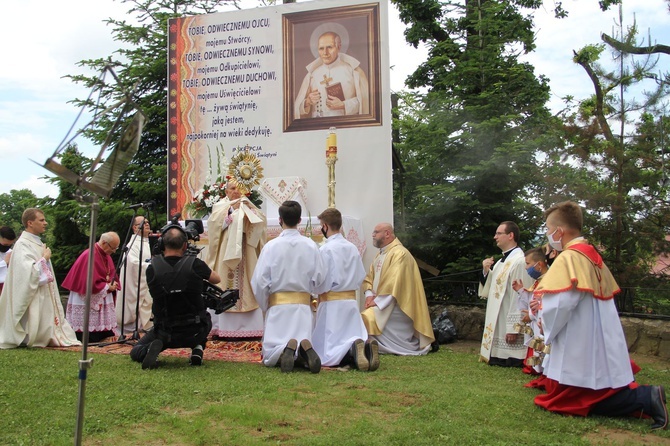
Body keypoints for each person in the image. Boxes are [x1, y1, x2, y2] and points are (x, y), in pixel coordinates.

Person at [532, 201, 667, 430]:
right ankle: (643, 398)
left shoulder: (568, 257)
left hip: (580, 334)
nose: (547, 234)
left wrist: (546, 326)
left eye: (547, 229)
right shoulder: (591, 254)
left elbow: (560, 304)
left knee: (570, 401)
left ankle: (646, 398)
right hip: (596, 332)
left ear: (559, 231)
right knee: (591, 387)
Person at [251, 200, 327, 373]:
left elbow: (260, 280)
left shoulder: (271, 247)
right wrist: (311, 293)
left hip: (279, 309)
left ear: (279, 220)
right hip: (302, 308)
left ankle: (284, 350)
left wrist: (265, 304)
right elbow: (320, 277)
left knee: (270, 353)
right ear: (300, 220)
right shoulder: (310, 245)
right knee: (303, 336)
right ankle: (302, 351)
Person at [130, 226, 221, 369]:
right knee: (206, 315)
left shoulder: (152, 268)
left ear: (161, 244)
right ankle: (197, 348)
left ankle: (149, 350)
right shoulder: (195, 264)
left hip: (165, 331)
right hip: (196, 329)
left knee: (135, 351)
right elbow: (217, 279)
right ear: (185, 245)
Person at [0, 208, 80, 348]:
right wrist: (45, 258)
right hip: (33, 294)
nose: (46, 223)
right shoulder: (22, 244)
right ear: (30, 223)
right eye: (41, 220)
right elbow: (27, 273)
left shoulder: (36, 242)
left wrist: (44, 260)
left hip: (43, 291)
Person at [312, 208, 378, 371]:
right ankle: (362, 347)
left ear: (325, 226)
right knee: (350, 334)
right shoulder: (352, 247)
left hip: (331, 303)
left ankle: (350, 351)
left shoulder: (326, 249)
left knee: (328, 349)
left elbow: (322, 278)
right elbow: (360, 275)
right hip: (350, 301)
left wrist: (314, 290)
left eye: (321, 226)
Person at [361, 223, 435, 355]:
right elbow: (369, 278)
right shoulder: (380, 255)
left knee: (365, 318)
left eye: (376, 232)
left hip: (397, 305)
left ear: (387, 234)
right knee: (363, 318)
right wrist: (368, 295)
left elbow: (394, 283)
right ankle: (370, 344)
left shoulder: (400, 253)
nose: (373, 235)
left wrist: (376, 302)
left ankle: (378, 345)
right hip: (383, 302)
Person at [206, 179, 266, 338]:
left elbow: (261, 222)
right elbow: (214, 227)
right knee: (224, 285)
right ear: (226, 191)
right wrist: (231, 211)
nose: (236, 191)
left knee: (248, 287)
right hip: (227, 254)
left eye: (239, 188)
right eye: (232, 188)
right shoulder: (220, 207)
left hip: (246, 254)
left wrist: (248, 213)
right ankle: (222, 328)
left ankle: (250, 329)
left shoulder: (248, 204)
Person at [478, 221, 534, 367]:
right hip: (498, 315)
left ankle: (509, 357)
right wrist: (485, 271)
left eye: (498, 233)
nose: (495, 237)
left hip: (508, 316)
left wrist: (514, 328)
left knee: (510, 359)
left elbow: (520, 296)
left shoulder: (520, 261)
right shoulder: (500, 262)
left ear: (510, 235)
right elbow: (492, 288)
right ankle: (496, 354)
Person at [294, 30, 370, 119]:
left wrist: (343, 105)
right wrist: (308, 101)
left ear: (339, 47)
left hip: (346, 126)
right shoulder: (312, 75)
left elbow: (366, 103)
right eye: (321, 48)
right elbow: (296, 110)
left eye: (329, 47)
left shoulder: (354, 72)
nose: (325, 53)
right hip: (318, 128)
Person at [63, 232, 121, 343]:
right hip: (85, 297)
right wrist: (107, 286)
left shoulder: (105, 255)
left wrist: (112, 285)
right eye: (113, 248)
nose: (114, 251)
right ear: (104, 243)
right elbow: (88, 283)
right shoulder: (89, 255)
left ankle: (104, 333)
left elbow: (110, 275)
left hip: (103, 293)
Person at [511, 247, 549, 375]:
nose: (526, 268)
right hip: (536, 322)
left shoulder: (549, 281)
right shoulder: (539, 281)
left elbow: (545, 305)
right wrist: (521, 291)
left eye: (528, 264)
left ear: (539, 264)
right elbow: (532, 301)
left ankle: (543, 372)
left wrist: (531, 315)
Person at [116, 216, 153, 336]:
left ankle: (145, 326)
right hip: (135, 283)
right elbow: (132, 264)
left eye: (148, 222)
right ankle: (135, 327)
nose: (147, 224)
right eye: (144, 223)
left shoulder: (144, 242)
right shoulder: (133, 244)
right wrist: (150, 266)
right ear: (135, 227)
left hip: (146, 280)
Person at [0, 226, 17, 295]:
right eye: (5, 244)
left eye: (10, 245)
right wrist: (5, 262)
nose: (7, 247)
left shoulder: (11, 252)